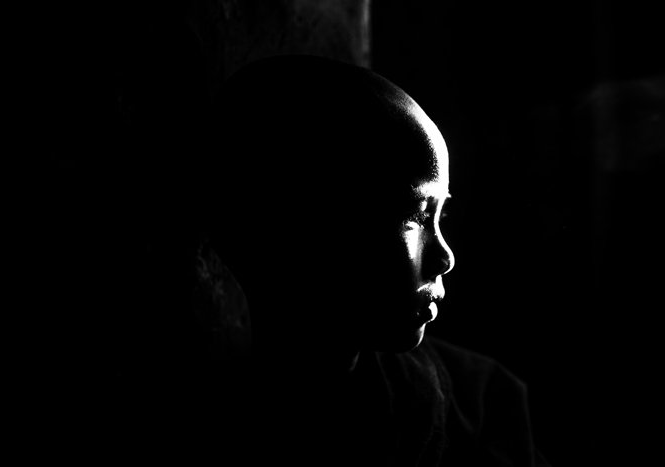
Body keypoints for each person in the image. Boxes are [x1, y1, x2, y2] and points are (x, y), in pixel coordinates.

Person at [199, 55, 550, 466]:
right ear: (301, 226)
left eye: (441, 216)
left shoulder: (484, 404)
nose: (445, 257)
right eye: (416, 216)